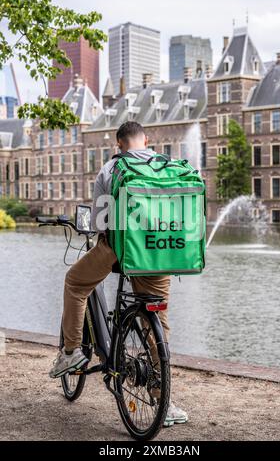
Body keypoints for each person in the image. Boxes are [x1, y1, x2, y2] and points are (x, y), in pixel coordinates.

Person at [49, 121, 188, 427]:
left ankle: (71, 352)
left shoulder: (111, 169)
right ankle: (163, 400)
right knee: (157, 326)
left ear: (119, 144)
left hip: (121, 249)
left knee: (75, 283)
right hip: (159, 252)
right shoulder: (168, 166)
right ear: (147, 140)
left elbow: (100, 223)